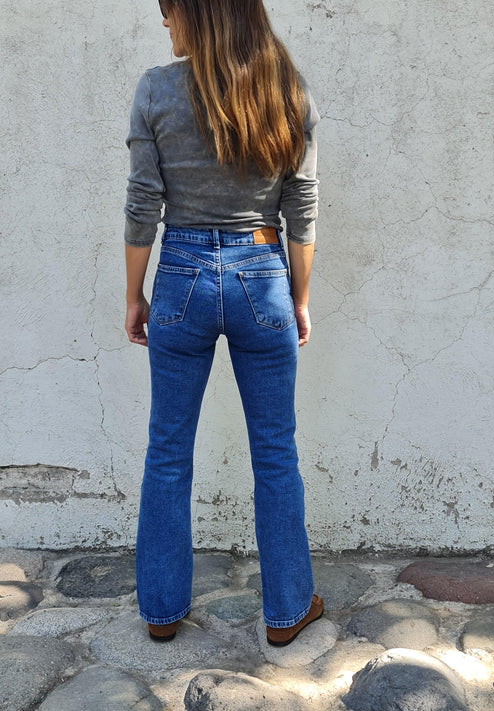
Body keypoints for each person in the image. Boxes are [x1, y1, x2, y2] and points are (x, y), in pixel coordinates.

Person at [124, 0, 323, 646]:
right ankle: (287, 611)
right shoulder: (286, 91)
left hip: (180, 274)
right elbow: (301, 207)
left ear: (199, 10)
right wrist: (298, 297)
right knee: (275, 449)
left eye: (167, 8)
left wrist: (134, 294)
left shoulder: (156, 91)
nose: (163, 21)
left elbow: (143, 203)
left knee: (167, 448)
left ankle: (161, 610)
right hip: (260, 272)